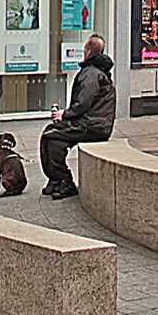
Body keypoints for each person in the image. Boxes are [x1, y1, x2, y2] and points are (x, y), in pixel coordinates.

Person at [40, 34, 116, 199]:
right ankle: (55, 179)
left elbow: (83, 103)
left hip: (92, 126)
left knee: (52, 137)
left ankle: (65, 181)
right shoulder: (97, 72)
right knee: (51, 134)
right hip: (93, 123)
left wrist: (64, 115)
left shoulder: (91, 73)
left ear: (88, 51)